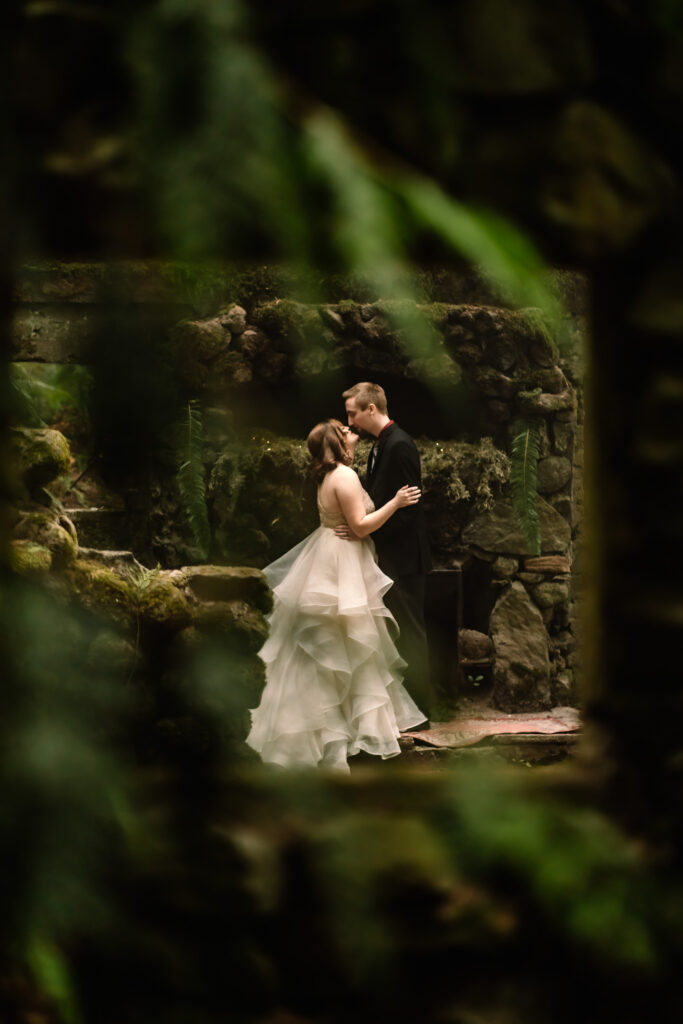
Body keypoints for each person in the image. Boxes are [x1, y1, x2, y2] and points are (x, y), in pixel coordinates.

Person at [246, 419, 427, 771]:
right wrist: (396, 502)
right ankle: (335, 730)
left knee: (341, 644)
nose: (351, 431)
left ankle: (340, 723)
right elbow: (359, 526)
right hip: (340, 563)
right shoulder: (345, 476)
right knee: (342, 642)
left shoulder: (331, 475)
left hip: (331, 554)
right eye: (345, 431)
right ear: (336, 443)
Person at [342, 382, 434, 728]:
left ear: (371, 409)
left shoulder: (400, 445)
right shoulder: (381, 445)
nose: (349, 422)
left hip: (405, 556)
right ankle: (404, 709)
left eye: (353, 413)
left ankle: (422, 713)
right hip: (392, 554)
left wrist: (367, 531)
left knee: (410, 632)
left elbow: (409, 509)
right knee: (398, 632)